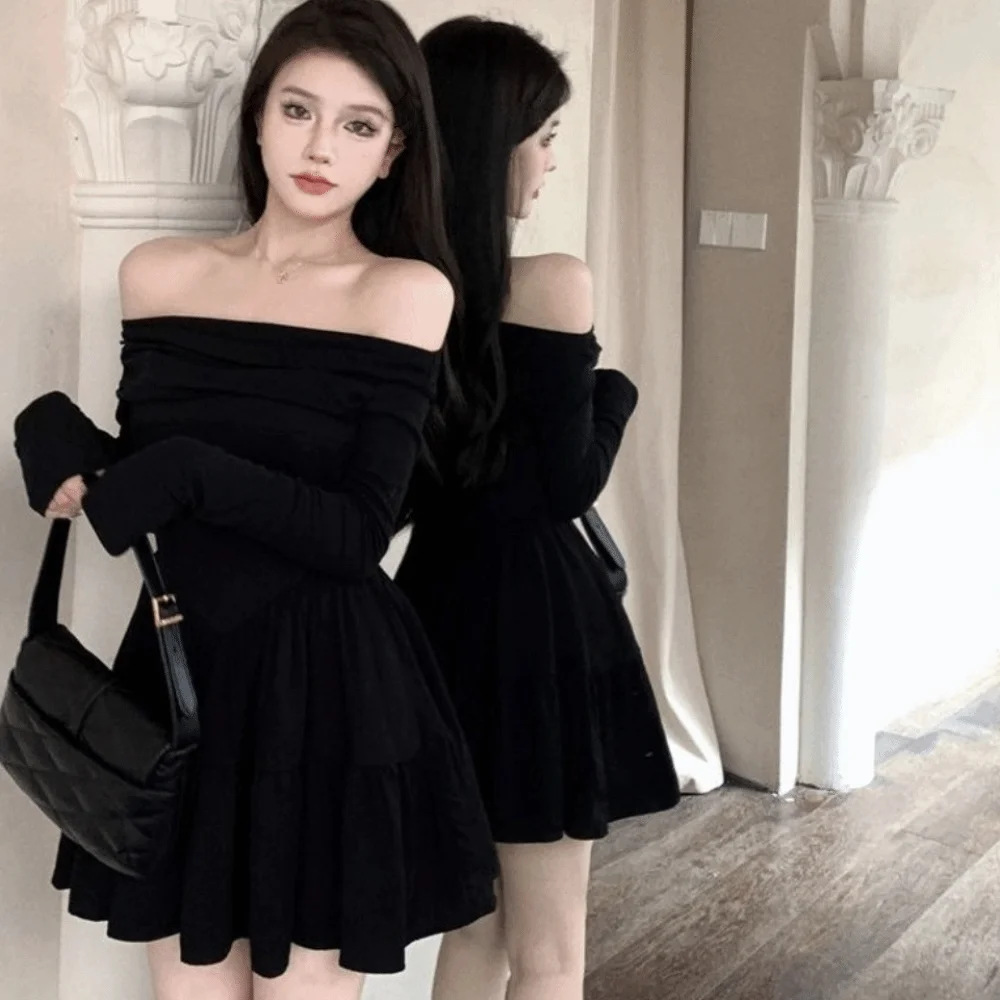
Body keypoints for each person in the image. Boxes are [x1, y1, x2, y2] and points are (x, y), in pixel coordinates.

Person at [12, 2, 499, 998]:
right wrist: (51, 431)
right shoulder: (160, 274)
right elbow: (146, 477)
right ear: (259, 118)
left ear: (393, 152)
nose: (320, 148)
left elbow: (354, 532)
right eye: (298, 110)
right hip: (180, 675)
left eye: (358, 125)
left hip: (327, 686)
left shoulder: (404, 292)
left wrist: (191, 470)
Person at [394, 17, 682, 1000]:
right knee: (551, 949)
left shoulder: (395, 289)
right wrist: (615, 392)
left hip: (433, 612)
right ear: (493, 142)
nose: (552, 160)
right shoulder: (551, 284)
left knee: (473, 930)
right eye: (544, 136)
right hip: (536, 623)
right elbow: (566, 486)